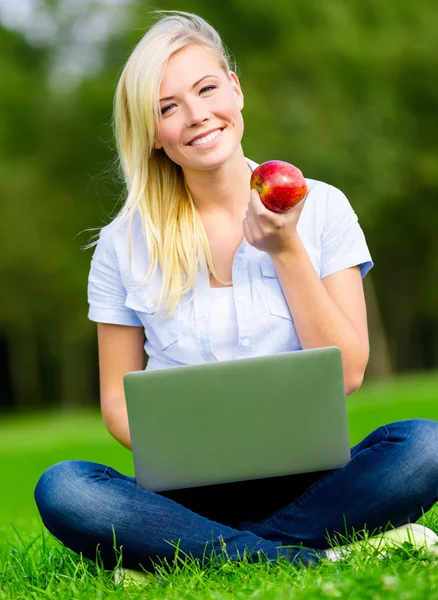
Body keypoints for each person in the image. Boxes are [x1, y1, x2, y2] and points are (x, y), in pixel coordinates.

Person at [34, 11, 438, 577]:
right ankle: (311, 553)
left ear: (236, 90)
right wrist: (192, 448)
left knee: (425, 446)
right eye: (168, 107)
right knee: (66, 487)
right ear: (152, 133)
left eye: (206, 89)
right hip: (189, 490)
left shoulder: (320, 207)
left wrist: (285, 248)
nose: (197, 115)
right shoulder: (122, 244)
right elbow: (118, 404)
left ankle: (187, 553)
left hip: (315, 479)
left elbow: (347, 371)